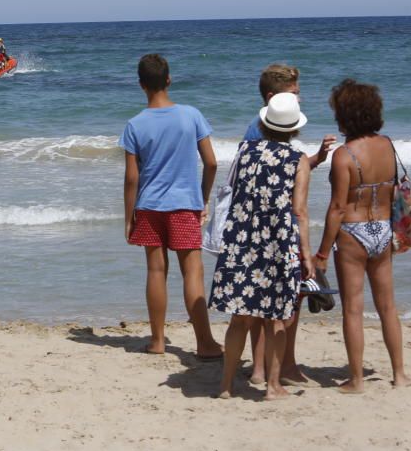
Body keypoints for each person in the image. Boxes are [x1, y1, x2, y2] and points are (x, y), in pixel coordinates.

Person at [210, 92, 314, 400]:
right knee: (276, 318)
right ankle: (272, 386)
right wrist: (306, 254)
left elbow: (233, 190)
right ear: (294, 128)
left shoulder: (245, 151)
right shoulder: (298, 160)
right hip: (278, 242)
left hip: (241, 238)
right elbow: (300, 212)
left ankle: (226, 385)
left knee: (239, 318)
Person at [120, 54, 223, 359]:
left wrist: (129, 217)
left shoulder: (135, 124)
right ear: (169, 79)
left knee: (155, 270)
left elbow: (131, 178)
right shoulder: (191, 115)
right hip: (183, 206)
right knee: (192, 272)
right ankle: (204, 342)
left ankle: (157, 341)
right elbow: (212, 162)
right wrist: (203, 198)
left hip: (150, 206)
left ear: (141, 85)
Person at [242, 64, 335, 386]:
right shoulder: (261, 129)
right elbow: (284, 178)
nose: (300, 98)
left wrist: (316, 159)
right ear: (273, 97)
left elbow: (273, 169)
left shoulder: (257, 130)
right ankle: (281, 365)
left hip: (257, 227)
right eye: (294, 94)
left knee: (259, 297)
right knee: (286, 299)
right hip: (278, 228)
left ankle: (261, 367)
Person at [315, 79, 410, 392]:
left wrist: (322, 253)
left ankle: (356, 380)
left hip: (353, 234)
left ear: (345, 116)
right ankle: (400, 374)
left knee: (353, 309)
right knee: (387, 307)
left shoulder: (344, 156)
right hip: (382, 229)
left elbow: (338, 208)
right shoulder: (388, 145)